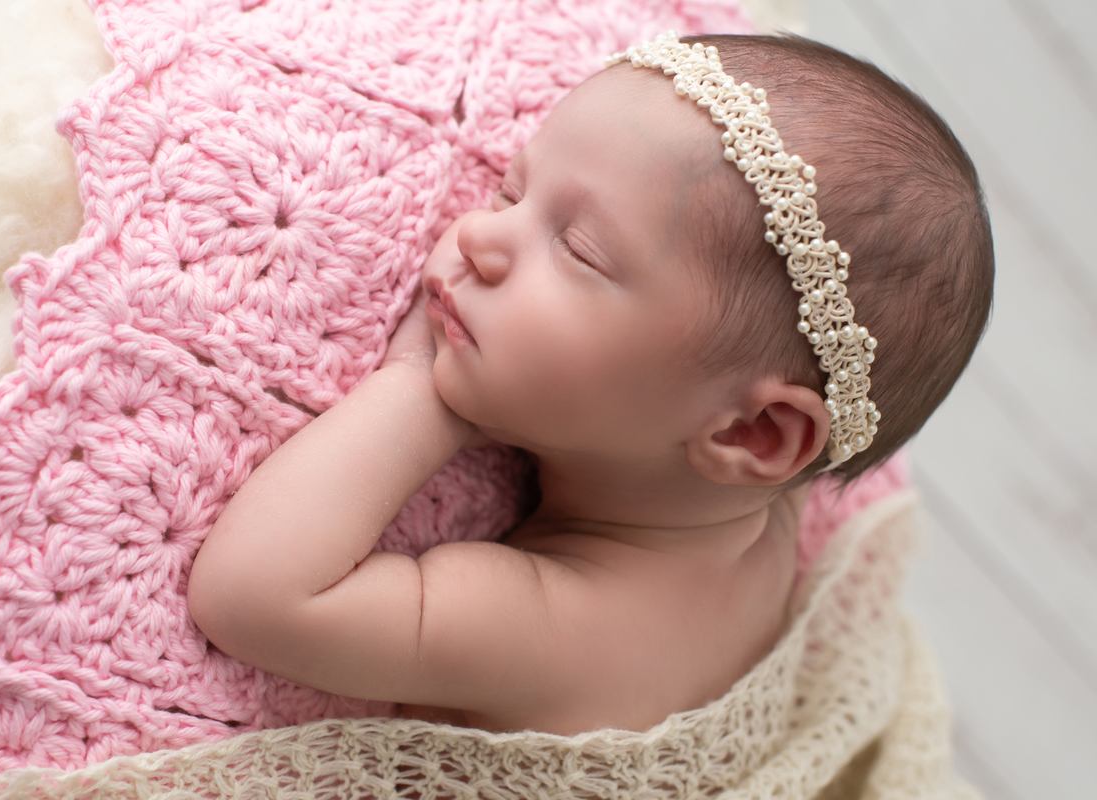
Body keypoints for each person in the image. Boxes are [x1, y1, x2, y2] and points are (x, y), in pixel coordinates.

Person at [186, 32, 993, 736]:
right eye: (512, 188)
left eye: (579, 252)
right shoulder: (750, 502)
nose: (480, 235)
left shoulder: (567, 624)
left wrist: (415, 388)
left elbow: (253, 599)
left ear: (753, 434)